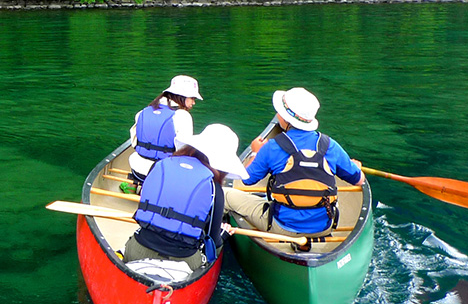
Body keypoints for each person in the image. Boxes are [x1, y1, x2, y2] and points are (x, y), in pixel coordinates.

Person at [225, 87, 362, 238]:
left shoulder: (272, 147)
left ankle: (218, 237)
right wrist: (356, 167)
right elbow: (359, 180)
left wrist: (255, 152)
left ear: (286, 119)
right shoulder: (331, 146)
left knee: (225, 195)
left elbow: (246, 179)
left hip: (281, 227)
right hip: (324, 227)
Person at [123, 124, 249, 269]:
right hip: (184, 261)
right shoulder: (214, 187)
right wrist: (223, 234)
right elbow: (213, 242)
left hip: (137, 250)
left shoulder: (159, 165)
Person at [126, 75, 201, 188]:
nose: (193, 103)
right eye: (192, 98)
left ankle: (135, 187)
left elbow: (134, 143)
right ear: (182, 97)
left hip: (137, 172)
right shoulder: (183, 116)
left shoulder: (143, 112)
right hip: (163, 175)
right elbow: (184, 152)